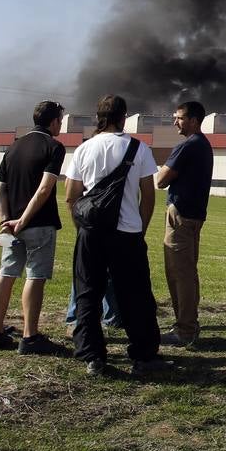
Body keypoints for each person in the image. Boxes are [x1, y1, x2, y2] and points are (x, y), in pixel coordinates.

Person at [65, 95, 164, 377]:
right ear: (124, 117)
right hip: (127, 234)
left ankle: (93, 355)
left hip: (90, 233)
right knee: (136, 295)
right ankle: (144, 354)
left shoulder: (83, 149)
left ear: (99, 117)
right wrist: (140, 228)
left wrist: (81, 228)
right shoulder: (139, 149)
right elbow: (148, 195)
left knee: (88, 293)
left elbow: (71, 196)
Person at [0, 100, 67, 355]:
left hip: (10, 225)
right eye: (60, 121)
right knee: (35, 276)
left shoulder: (13, 148)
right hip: (39, 224)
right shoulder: (54, 147)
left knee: (7, 273)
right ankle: (30, 336)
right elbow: (45, 188)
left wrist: (6, 220)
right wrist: (25, 220)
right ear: (54, 121)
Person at [156, 100, 214, 348]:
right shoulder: (203, 145)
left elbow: (161, 180)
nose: (175, 122)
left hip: (180, 216)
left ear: (193, 120)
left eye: (179, 118)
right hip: (193, 216)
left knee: (180, 273)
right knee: (186, 272)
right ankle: (186, 323)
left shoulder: (187, 146)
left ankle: (185, 330)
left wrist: (158, 171)